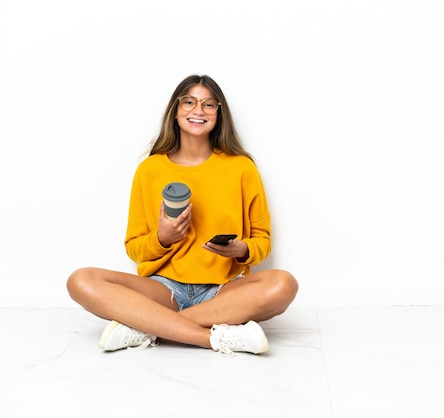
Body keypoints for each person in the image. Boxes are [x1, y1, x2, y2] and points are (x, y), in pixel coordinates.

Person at [67, 74, 298, 355]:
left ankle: (148, 327)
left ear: (219, 114)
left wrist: (241, 249)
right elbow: (134, 248)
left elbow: (262, 240)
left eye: (208, 105)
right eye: (188, 102)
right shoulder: (150, 170)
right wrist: (162, 238)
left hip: (224, 291)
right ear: (175, 112)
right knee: (81, 280)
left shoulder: (241, 168)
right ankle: (215, 337)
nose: (198, 110)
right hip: (164, 290)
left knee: (284, 284)